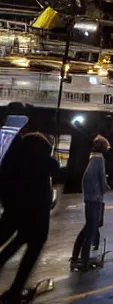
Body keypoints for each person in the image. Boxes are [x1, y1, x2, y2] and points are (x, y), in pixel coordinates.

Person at [0, 119, 59, 304]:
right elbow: (57, 169)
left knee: (16, 242)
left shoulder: (14, 158)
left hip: (15, 213)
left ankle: (14, 290)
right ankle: (15, 291)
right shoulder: (44, 159)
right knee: (30, 253)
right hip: (37, 218)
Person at [71, 135, 110, 271]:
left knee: (88, 227)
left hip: (90, 197)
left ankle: (76, 256)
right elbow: (101, 178)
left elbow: (86, 178)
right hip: (94, 198)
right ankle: (85, 259)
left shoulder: (92, 158)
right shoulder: (99, 159)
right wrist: (105, 188)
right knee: (91, 228)